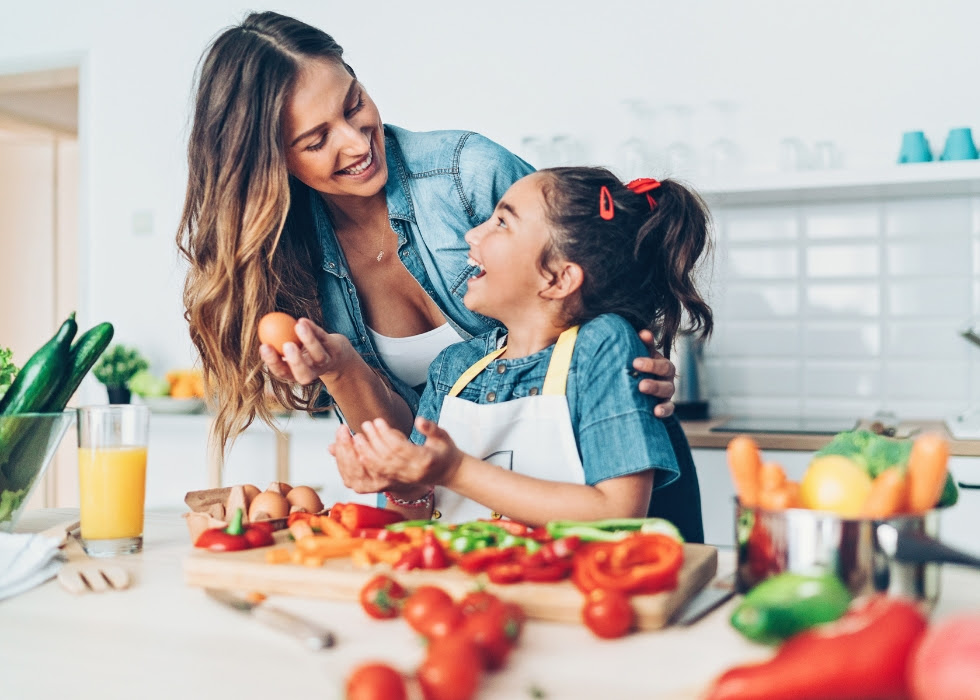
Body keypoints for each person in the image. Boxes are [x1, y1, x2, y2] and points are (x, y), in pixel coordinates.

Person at [176, 11, 678, 487]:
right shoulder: (287, 262)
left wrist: (640, 358)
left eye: (353, 104)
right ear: (270, 163)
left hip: (603, 471)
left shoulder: (470, 175)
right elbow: (409, 448)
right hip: (468, 512)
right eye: (316, 139)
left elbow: (600, 278)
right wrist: (340, 367)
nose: (356, 143)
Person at [331, 168, 713, 542]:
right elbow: (414, 520)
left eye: (501, 223)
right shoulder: (454, 367)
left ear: (558, 279)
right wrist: (401, 484)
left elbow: (617, 515)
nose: (472, 233)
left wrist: (456, 470)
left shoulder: (601, 345)